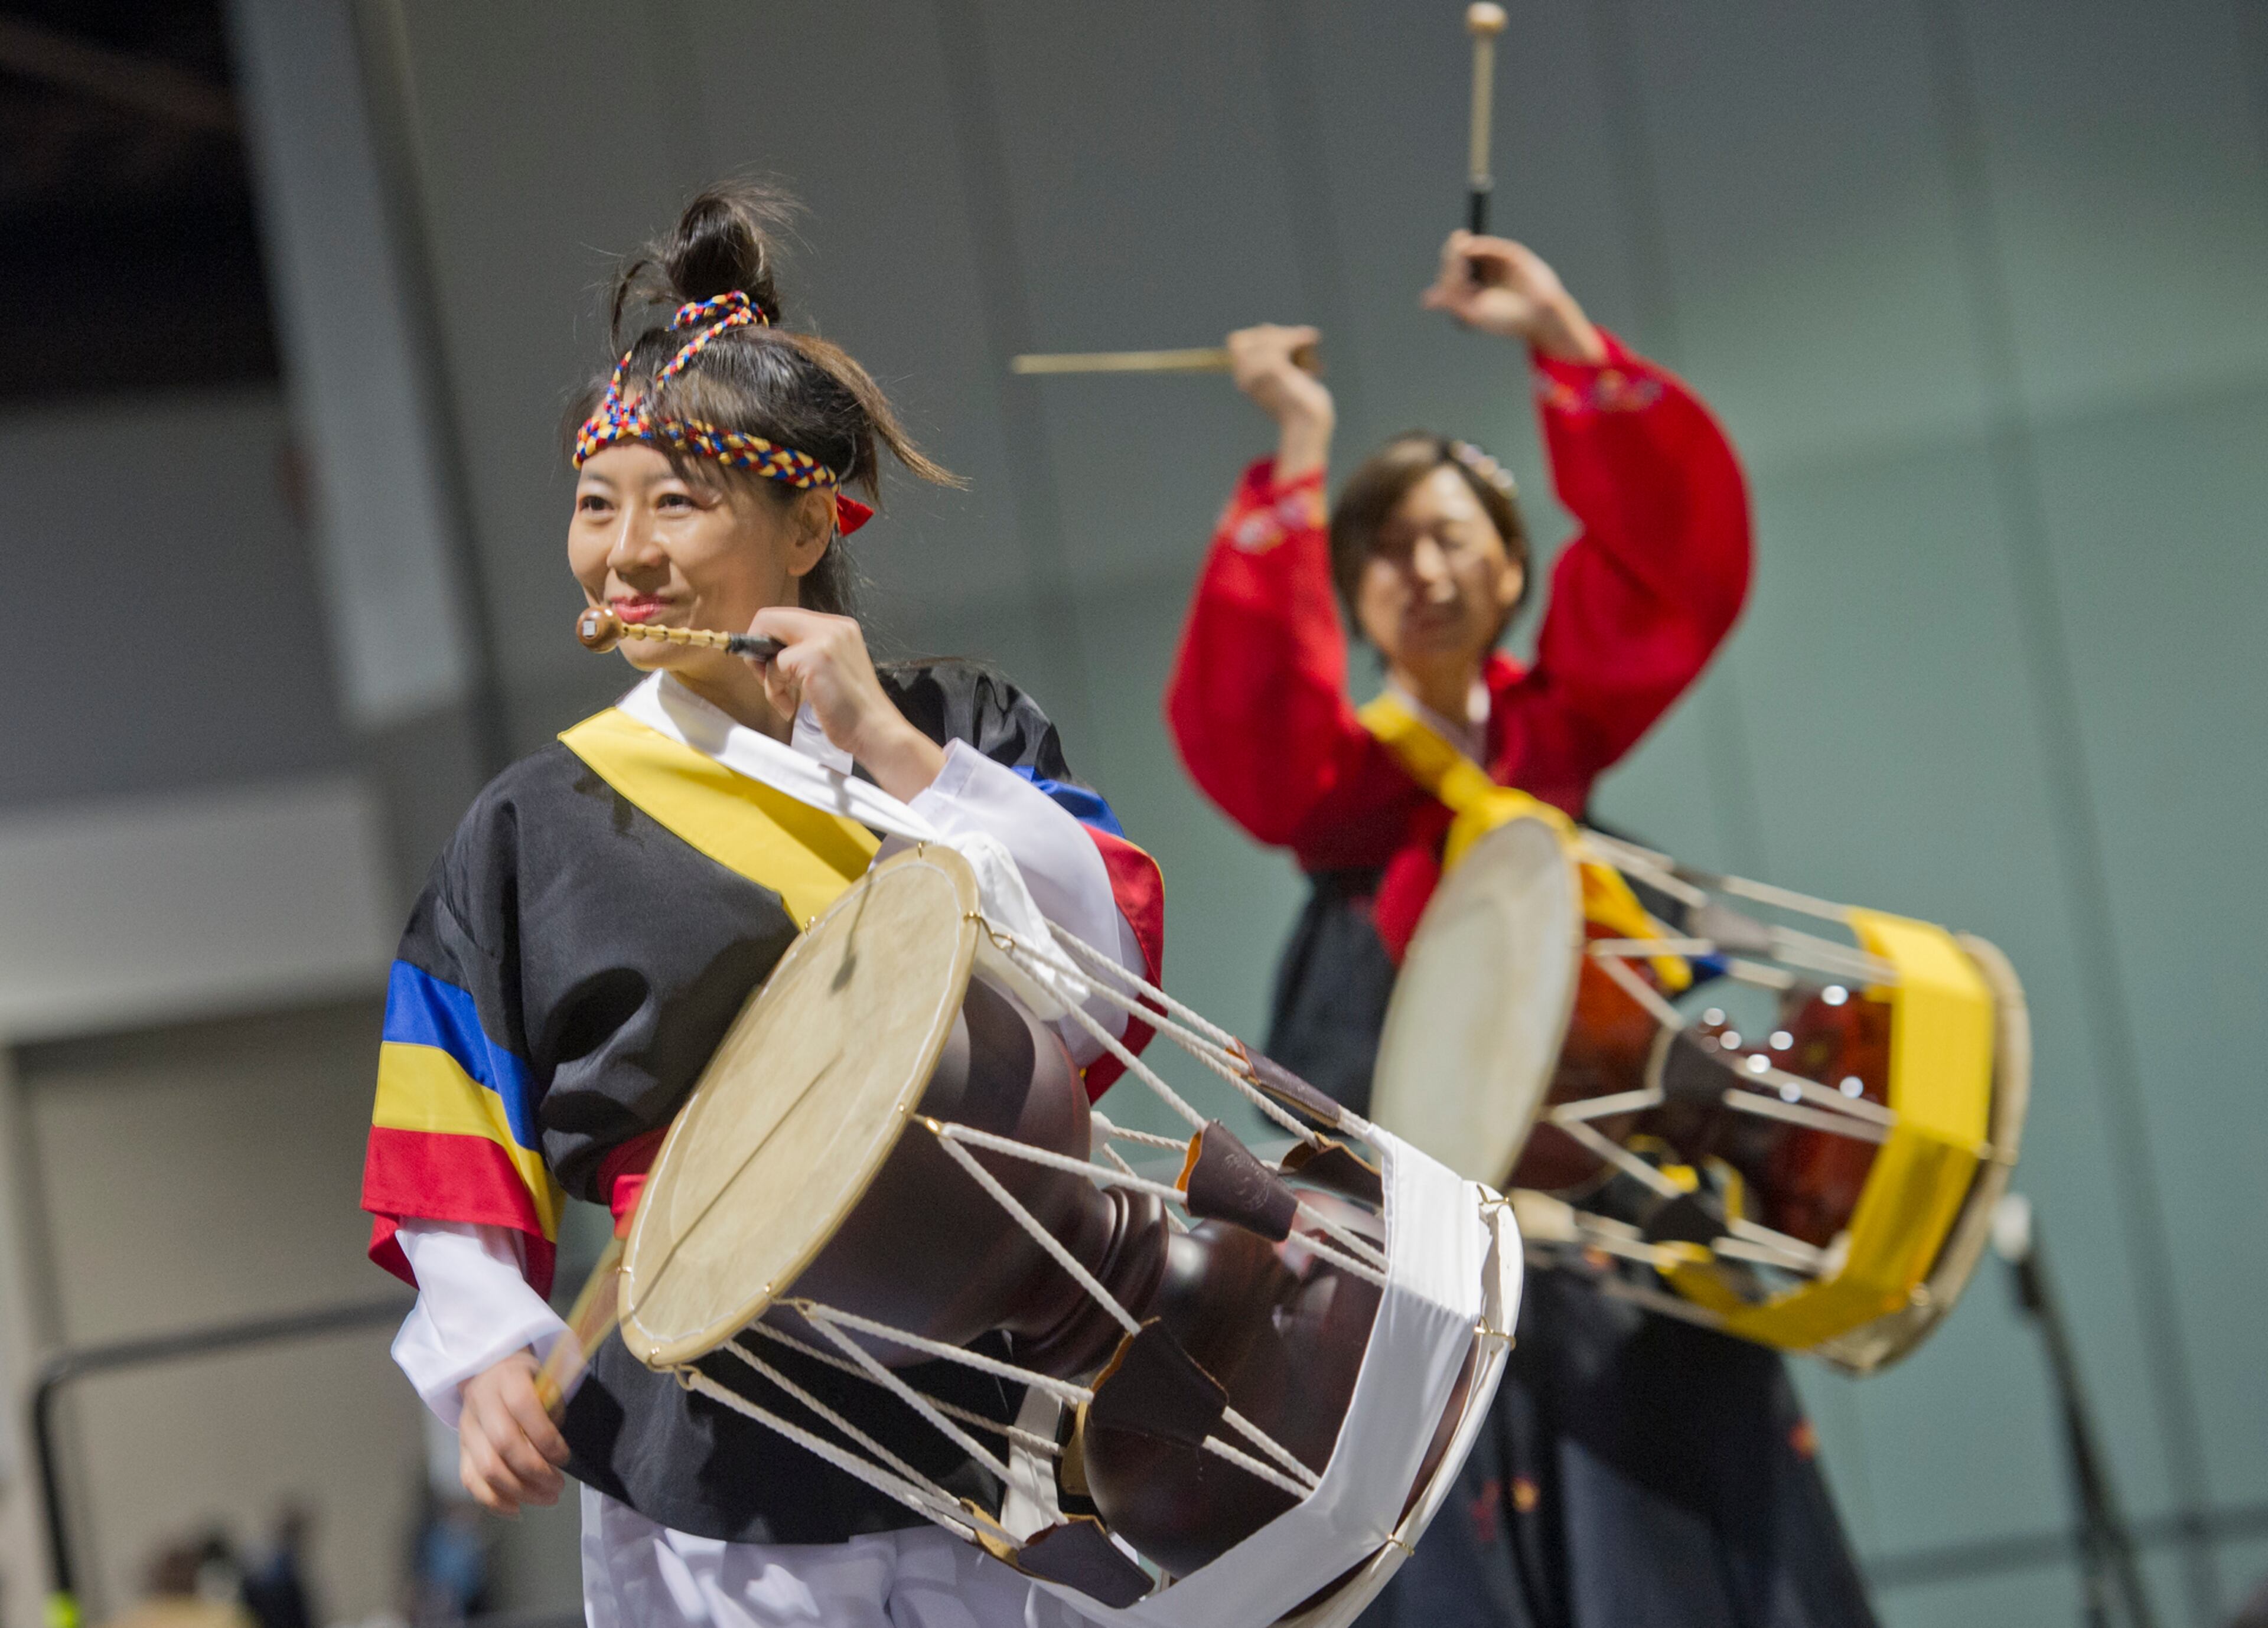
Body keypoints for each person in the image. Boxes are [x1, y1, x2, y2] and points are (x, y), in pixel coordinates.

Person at [360, 182, 1160, 1628]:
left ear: (809, 523)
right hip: (717, 1416)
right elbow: (450, 1137)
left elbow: (1101, 992)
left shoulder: (965, 736)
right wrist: (485, 1355)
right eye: (598, 506)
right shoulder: (535, 824)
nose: (628, 548)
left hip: (1004, 1360)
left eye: (680, 500)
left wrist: (898, 754)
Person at [1165, 230, 1876, 1626]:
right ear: (1355, 596)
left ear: (1511, 573)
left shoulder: (1557, 737)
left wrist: (1556, 330)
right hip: (1429, 1265)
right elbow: (1249, 712)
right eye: (1384, 549)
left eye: (1454, 537)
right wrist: (1299, 444)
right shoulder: (1346, 790)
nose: (1421, 567)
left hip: (1626, 1242)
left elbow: (1681, 574)